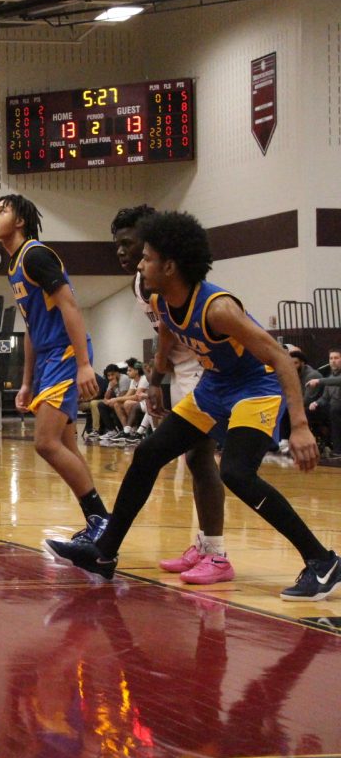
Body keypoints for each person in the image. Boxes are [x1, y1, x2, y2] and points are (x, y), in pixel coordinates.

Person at [44, 210, 339, 601]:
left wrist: (300, 426)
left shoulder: (218, 308)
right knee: (149, 452)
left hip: (256, 388)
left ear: (169, 265)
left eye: (147, 258)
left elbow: (281, 358)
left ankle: (322, 561)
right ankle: (104, 552)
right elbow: (167, 337)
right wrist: (155, 382)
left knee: (236, 472)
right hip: (214, 386)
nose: (141, 264)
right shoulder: (161, 297)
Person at [110, 204, 231, 582]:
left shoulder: (180, 282)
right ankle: (207, 547)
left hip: (207, 367)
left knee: (199, 457)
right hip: (180, 370)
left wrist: (156, 381)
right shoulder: (140, 285)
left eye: (129, 244)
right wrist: (157, 382)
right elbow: (164, 336)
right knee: (195, 460)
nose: (122, 253)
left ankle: (216, 552)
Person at [0, 194, 107, 537]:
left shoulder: (36, 255)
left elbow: (71, 306)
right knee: (68, 447)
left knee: (45, 443)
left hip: (65, 354)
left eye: (2, 211)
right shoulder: (13, 266)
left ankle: (102, 520)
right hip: (47, 358)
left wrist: (85, 364)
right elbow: (30, 326)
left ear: (21, 220)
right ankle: (97, 525)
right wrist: (26, 382)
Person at [305, 348, 341, 456]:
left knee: (335, 408)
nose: (333, 361)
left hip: (337, 408)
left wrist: (319, 381)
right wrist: (316, 403)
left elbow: (338, 381)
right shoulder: (329, 377)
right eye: (331, 358)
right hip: (333, 409)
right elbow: (325, 398)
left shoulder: (329, 380)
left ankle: (338, 450)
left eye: (336, 358)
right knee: (309, 411)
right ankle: (316, 446)